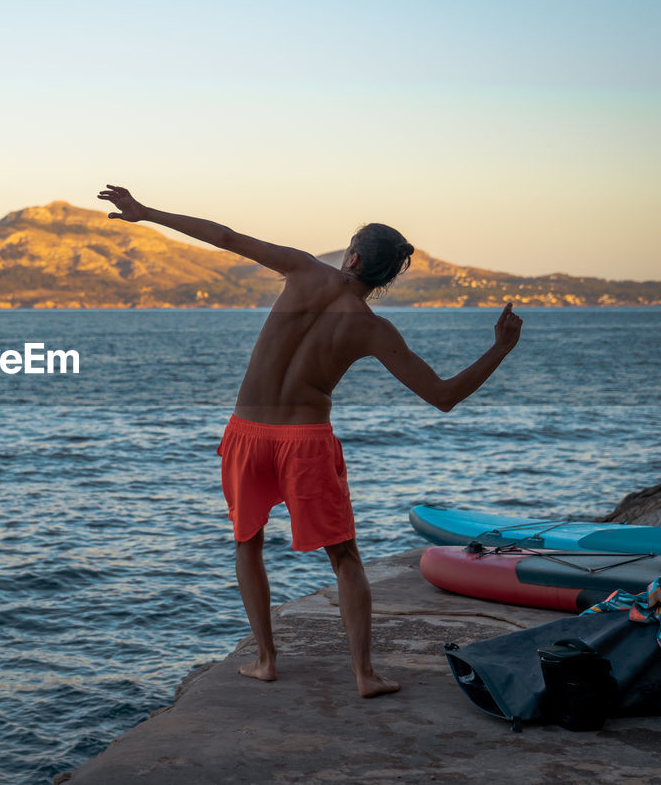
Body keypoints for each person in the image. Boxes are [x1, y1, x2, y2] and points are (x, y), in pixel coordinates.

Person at [97, 184, 522, 697]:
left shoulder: (301, 270)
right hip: (305, 440)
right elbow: (444, 395)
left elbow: (224, 236)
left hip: (247, 433)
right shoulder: (373, 328)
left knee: (246, 542)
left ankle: (265, 660)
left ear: (354, 255)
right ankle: (364, 674)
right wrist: (499, 349)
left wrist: (146, 212)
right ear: (384, 276)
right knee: (345, 558)